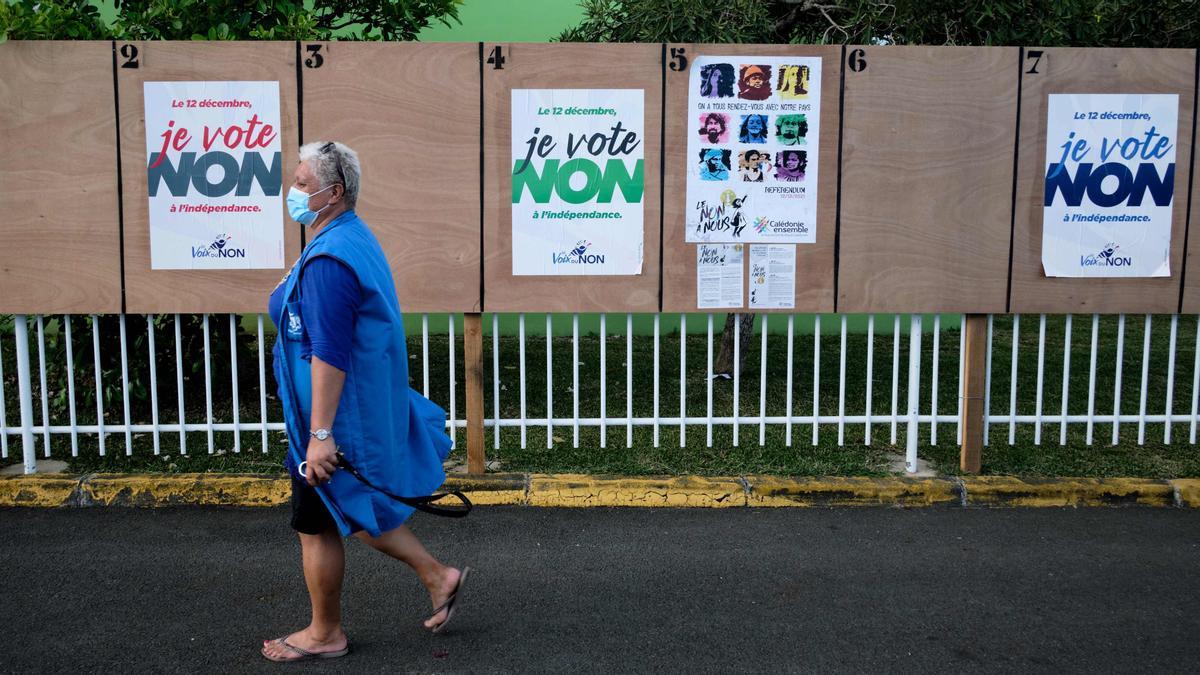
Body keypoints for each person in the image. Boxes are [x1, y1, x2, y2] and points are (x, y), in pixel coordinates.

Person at [261, 141, 469, 663]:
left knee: (318, 524)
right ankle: (437, 575)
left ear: (333, 193)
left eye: (303, 184)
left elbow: (329, 353)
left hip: (333, 419)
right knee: (350, 510)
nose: (294, 191)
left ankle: (325, 633)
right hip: (338, 413)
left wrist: (321, 435)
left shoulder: (331, 259)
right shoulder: (346, 236)